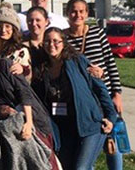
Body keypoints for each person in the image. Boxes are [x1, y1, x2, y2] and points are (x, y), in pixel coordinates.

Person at [32, 28, 117, 170]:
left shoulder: (77, 61)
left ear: (63, 43)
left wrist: (111, 117)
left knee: (81, 167)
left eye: (56, 41)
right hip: (63, 128)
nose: (51, 44)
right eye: (47, 41)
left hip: (89, 124)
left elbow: (99, 88)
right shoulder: (41, 68)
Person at [0, 33, 58, 170]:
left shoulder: (5, 65)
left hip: (33, 120)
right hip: (10, 128)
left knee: (43, 163)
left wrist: (29, 123)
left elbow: (24, 92)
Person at [64, 0, 124, 170]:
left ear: (87, 13)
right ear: (68, 13)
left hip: (104, 94)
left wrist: (117, 94)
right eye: (73, 11)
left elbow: (110, 63)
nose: (77, 15)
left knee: (112, 142)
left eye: (81, 11)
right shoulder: (64, 39)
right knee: (86, 143)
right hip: (84, 99)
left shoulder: (97, 33)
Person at [0, 3, 32, 83]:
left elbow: (28, 78)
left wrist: (22, 69)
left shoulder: (21, 51)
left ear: (14, 29)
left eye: (7, 26)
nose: (3, 30)